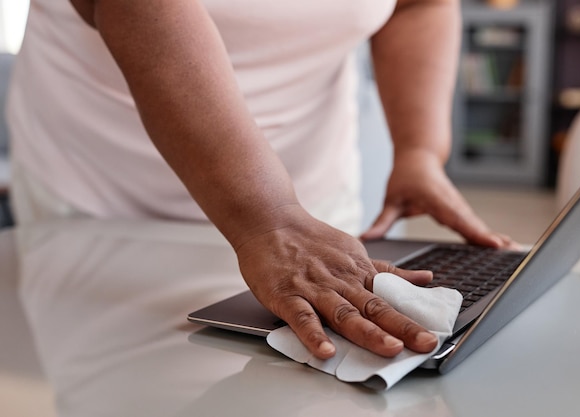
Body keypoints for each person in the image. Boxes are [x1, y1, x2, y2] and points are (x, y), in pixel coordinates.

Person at [7, 0, 514, 360]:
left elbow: (414, 5)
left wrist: (419, 150)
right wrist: (268, 221)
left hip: (307, 201)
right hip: (108, 196)